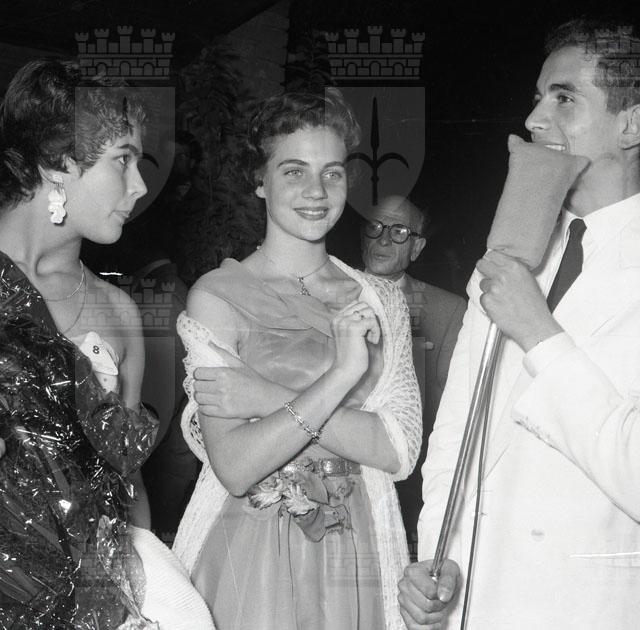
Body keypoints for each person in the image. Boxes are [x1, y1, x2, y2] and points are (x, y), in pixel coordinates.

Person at [398, 17, 640, 629]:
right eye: (537, 97)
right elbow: (457, 432)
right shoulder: (514, 250)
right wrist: (437, 559)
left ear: (632, 125)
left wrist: (539, 333)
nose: (533, 119)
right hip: (478, 598)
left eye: (564, 98)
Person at [172, 88, 422, 628]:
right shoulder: (216, 296)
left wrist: (265, 397)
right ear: (260, 180)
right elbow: (236, 467)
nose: (317, 192)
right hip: (250, 552)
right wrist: (343, 378)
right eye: (294, 172)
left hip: (359, 548)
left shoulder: (382, 298)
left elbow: (399, 450)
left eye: (332, 173)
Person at [0, 59, 213, 629]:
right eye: (123, 159)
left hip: (89, 601)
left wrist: (136, 599)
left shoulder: (118, 314)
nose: (140, 186)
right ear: (57, 163)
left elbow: (126, 481)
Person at [361, 195, 465, 550]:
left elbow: (451, 413)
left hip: (407, 484)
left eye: (399, 232)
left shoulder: (446, 310)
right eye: (375, 227)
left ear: (417, 247)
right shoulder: (324, 293)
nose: (383, 240)